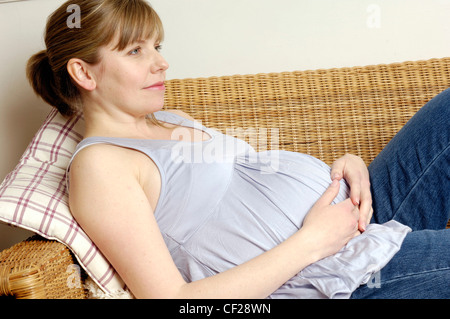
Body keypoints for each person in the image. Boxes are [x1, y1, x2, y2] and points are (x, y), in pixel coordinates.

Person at [26, 0, 449, 299]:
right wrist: (312, 242)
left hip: (357, 217)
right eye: (136, 50)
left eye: (157, 46)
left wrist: (345, 165)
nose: (160, 62)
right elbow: (172, 298)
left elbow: (250, 182)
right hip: (334, 276)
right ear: (83, 71)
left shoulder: (169, 120)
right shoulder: (100, 165)